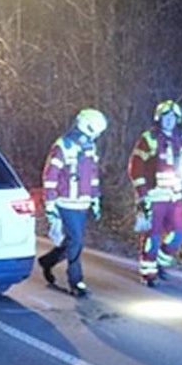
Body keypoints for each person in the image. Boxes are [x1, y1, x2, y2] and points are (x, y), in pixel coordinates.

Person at [37, 108, 108, 298]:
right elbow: (50, 176)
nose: (97, 136)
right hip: (65, 203)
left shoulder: (89, 147)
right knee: (76, 241)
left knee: (71, 242)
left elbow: (92, 175)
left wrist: (95, 198)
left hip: (82, 203)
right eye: (96, 131)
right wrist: (50, 203)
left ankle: (48, 261)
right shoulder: (64, 145)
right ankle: (76, 281)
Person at [128, 100, 182, 287]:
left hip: (174, 196)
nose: (169, 120)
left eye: (172, 117)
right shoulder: (149, 138)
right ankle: (148, 273)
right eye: (165, 117)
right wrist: (142, 192)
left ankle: (160, 263)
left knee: (178, 234)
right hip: (154, 196)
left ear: (177, 119)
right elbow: (135, 167)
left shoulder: (181, 138)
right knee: (153, 237)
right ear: (159, 118)